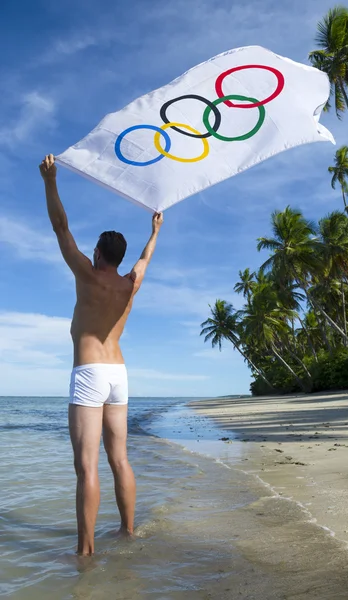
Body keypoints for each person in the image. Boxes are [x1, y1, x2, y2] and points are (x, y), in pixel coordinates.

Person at [39, 154, 163, 555]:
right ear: (120, 257)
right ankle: (128, 531)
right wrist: (155, 230)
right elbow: (146, 259)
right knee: (120, 460)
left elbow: (61, 227)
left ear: (97, 253)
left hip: (90, 372)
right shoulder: (131, 284)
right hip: (119, 375)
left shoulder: (87, 275)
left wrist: (50, 180)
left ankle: (86, 551)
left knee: (86, 467)